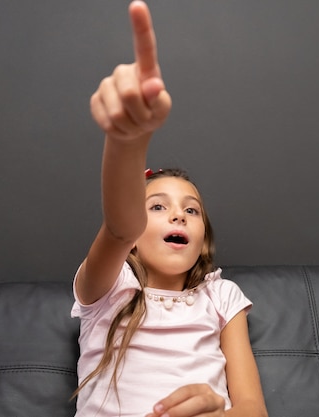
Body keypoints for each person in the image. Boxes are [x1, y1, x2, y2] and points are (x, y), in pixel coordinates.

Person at [71, 2, 268, 416]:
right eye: (157, 206)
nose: (179, 215)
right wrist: (129, 141)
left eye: (191, 211)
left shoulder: (221, 296)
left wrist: (218, 412)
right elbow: (120, 227)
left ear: (203, 239)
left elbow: (253, 409)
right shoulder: (107, 289)